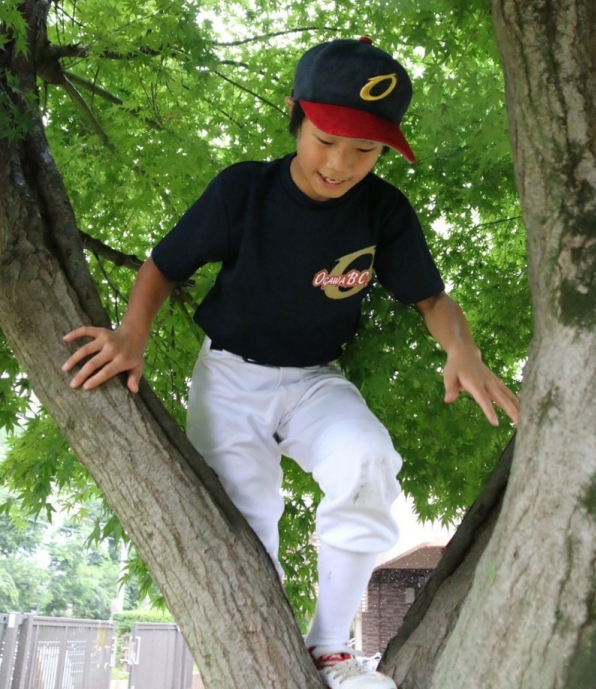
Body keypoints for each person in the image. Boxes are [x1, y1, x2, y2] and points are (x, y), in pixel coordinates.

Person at [62, 37, 519, 689]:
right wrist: (131, 334)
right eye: (326, 139)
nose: (340, 163)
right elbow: (163, 266)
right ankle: (262, 654)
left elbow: (431, 299)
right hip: (230, 378)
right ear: (295, 116)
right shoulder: (244, 190)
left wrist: (462, 349)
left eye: (364, 150)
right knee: (245, 526)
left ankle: (330, 647)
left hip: (314, 382)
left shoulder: (383, 211)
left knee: (368, 461)